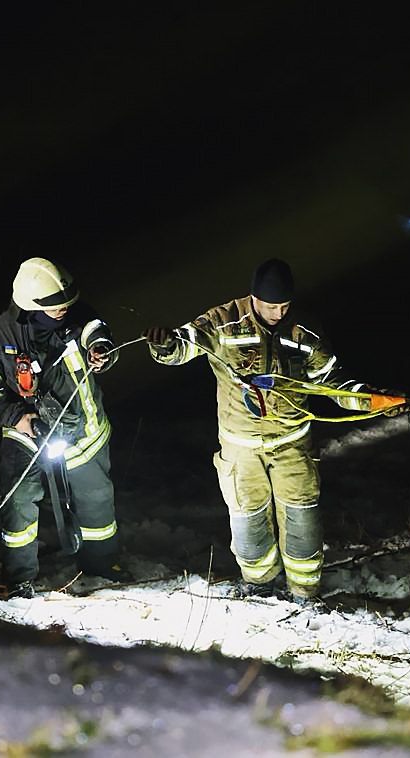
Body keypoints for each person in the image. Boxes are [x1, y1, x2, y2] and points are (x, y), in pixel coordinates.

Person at [144, 258, 382, 604]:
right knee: (247, 520)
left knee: (302, 520)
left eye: (285, 306)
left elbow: (334, 384)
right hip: (241, 448)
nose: (278, 313)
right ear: (253, 297)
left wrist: (376, 400)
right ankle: (259, 588)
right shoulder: (224, 322)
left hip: (291, 444)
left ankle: (304, 593)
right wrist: (163, 344)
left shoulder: (305, 332)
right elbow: (183, 346)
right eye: (271, 306)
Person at [0, 257, 127, 598]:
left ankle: (102, 566)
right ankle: (20, 577)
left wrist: (101, 348)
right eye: (56, 305)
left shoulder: (77, 317)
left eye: (68, 303)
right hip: (28, 434)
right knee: (19, 502)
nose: (64, 310)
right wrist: (17, 417)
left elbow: (96, 328)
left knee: (97, 500)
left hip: (84, 432)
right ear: (31, 306)